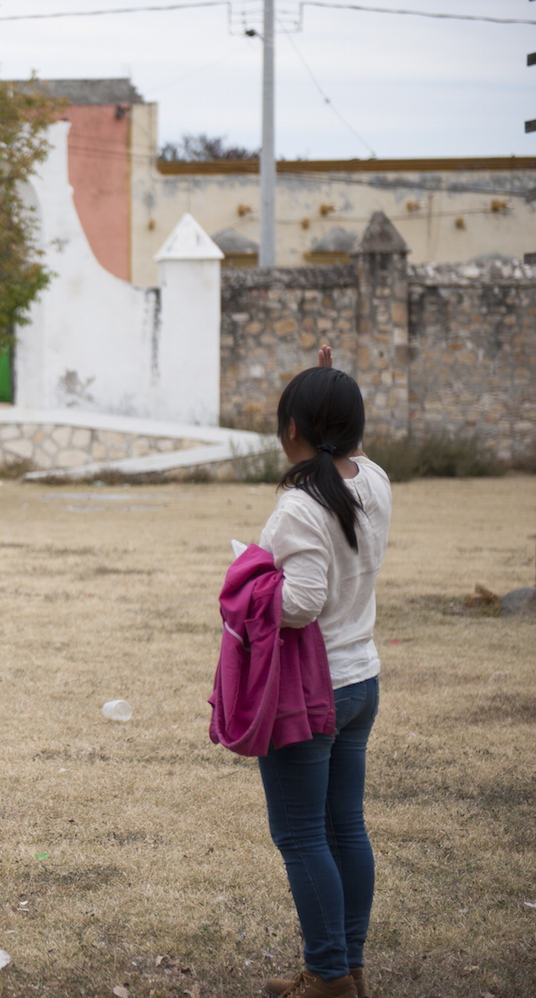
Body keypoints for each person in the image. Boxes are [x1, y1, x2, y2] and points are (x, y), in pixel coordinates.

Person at [255, 346, 392, 998]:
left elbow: (301, 602)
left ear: (292, 430)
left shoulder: (299, 507)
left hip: (309, 692)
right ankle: (346, 967)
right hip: (359, 678)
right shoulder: (374, 480)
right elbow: (346, 450)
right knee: (344, 826)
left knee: (303, 834)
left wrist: (249, 590)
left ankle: (330, 979)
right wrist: (329, 383)